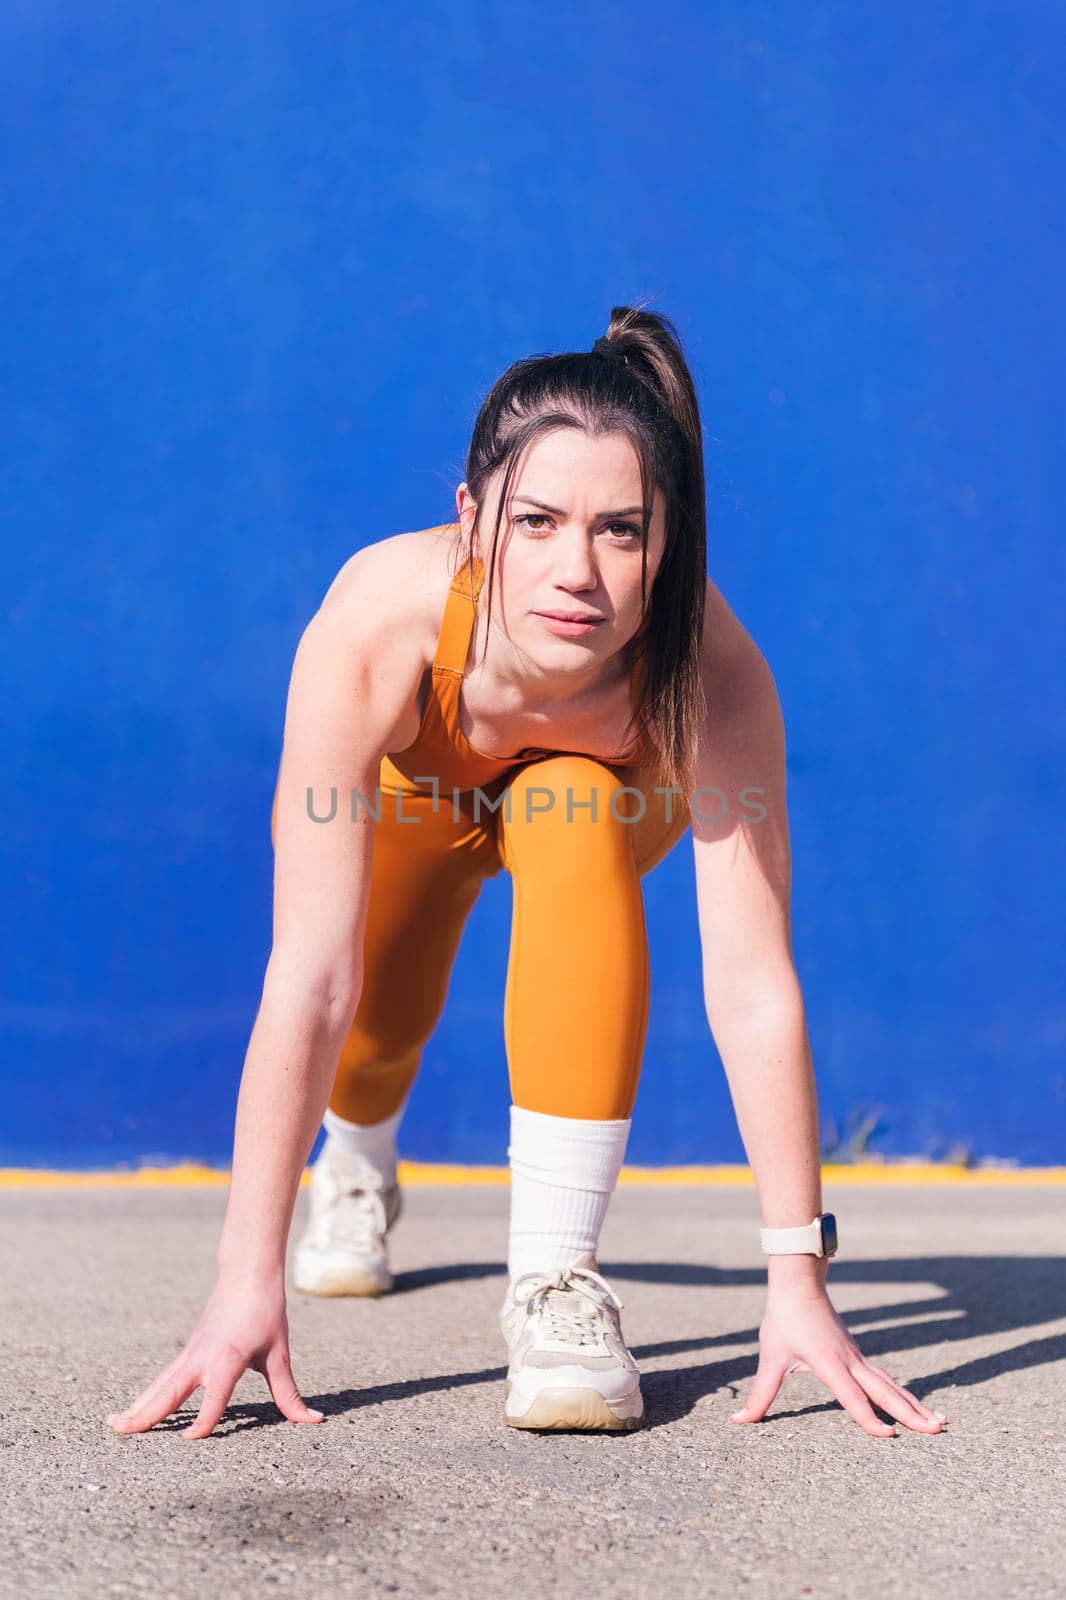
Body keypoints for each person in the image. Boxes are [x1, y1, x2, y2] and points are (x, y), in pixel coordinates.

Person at [105, 304, 947, 1441]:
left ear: (668, 539)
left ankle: (556, 1287)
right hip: (422, 799)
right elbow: (307, 977)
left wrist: (797, 1280)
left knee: (567, 798)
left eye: (619, 530)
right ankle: (357, 1161)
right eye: (538, 520)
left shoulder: (712, 671)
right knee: (379, 1018)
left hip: (600, 813)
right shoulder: (373, 629)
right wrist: (240, 1280)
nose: (576, 571)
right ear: (472, 519)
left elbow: (751, 984)